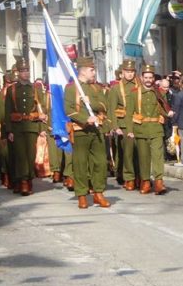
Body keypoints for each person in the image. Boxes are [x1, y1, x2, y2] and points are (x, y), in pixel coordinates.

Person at [64, 57, 110, 209]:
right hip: (80, 131)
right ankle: (82, 195)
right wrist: (85, 118)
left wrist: (91, 103)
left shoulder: (96, 88)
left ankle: (98, 192)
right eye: (92, 70)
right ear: (83, 70)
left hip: (97, 130)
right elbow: (69, 111)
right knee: (80, 163)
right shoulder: (71, 88)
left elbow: (104, 105)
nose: (94, 72)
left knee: (101, 162)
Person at [5, 59, 47, 196]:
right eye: (23, 71)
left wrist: (42, 129)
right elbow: (8, 111)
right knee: (20, 156)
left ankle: (28, 179)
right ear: (18, 72)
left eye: (27, 70)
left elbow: (42, 108)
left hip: (31, 126)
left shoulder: (35, 88)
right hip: (17, 127)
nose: (26, 73)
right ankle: (22, 181)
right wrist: (9, 130)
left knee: (30, 156)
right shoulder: (12, 89)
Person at [134, 64, 173, 195]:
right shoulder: (135, 93)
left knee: (158, 156)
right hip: (141, 129)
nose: (148, 80)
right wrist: (129, 129)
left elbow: (164, 107)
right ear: (141, 78)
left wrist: (167, 114)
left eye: (151, 77)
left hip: (156, 129)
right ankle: (145, 181)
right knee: (144, 158)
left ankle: (158, 182)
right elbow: (130, 112)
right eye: (146, 77)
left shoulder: (159, 93)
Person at [108, 59, 140, 191]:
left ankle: (140, 176)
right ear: (122, 72)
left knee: (141, 152)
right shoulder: (116, 88)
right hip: (124, 125)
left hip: (139, 122)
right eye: (127, 71)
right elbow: (111, 109)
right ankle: (129, 178)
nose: (130, 74)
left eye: (132, 71)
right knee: (127, 153)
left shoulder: (140, 85)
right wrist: (115, 127)